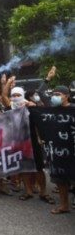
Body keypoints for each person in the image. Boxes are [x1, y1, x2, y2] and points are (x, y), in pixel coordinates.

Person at [48, 85, 74, 214]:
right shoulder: (50, 110)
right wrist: (47, 79)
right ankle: (64, 205)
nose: (55, 96)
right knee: (60, 180)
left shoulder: (73, 109)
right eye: (53, 94)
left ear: (66, 96)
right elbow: (40, 93)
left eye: (58, 94)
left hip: (72, 150)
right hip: (56, 151)